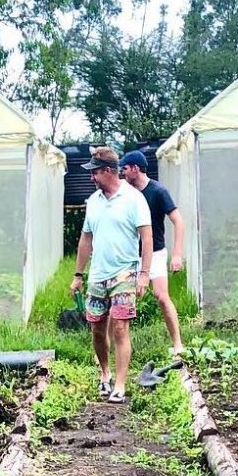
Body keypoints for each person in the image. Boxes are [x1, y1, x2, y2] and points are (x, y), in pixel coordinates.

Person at [72, 146, 151, 404]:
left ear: (107, 171)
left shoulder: (133, 198)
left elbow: (146, 237)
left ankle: (120, 384)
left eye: (94, 172)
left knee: (120, 327)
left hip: (124, 273)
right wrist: (78, 274)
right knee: (96, 329)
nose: (91, 177)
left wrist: (144, 274)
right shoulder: (93, 202)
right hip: (98, 275)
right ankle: (104, 373)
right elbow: (86, 239)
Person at [119, 150, 186, 354]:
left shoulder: (158, 191)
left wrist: (176, 254)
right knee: (120, 298)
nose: (121, 173)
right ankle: (113, 349)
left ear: (135, 169)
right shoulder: (125, 192)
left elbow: (179, 221)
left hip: (155, 252)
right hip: (130, 254)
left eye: (124, 168)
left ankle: (178, 344)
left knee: (161, 296)